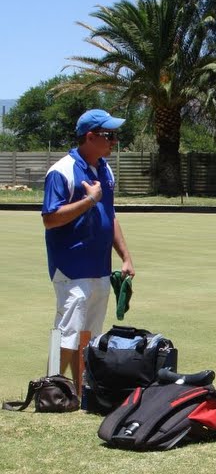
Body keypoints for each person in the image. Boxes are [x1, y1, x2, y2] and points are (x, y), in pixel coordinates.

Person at [42, 109, 135, 388]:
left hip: (100, 266)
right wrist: (89, 200)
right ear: (91, 136)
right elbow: (50, 218)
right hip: (71, 267)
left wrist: (126, 257)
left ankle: (82, 389)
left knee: (90, 335)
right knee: (68, 331)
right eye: (109, 135)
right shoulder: (61, 171)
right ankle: (53, 389)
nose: (115, 141)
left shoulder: (105, 169)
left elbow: (110, 215)